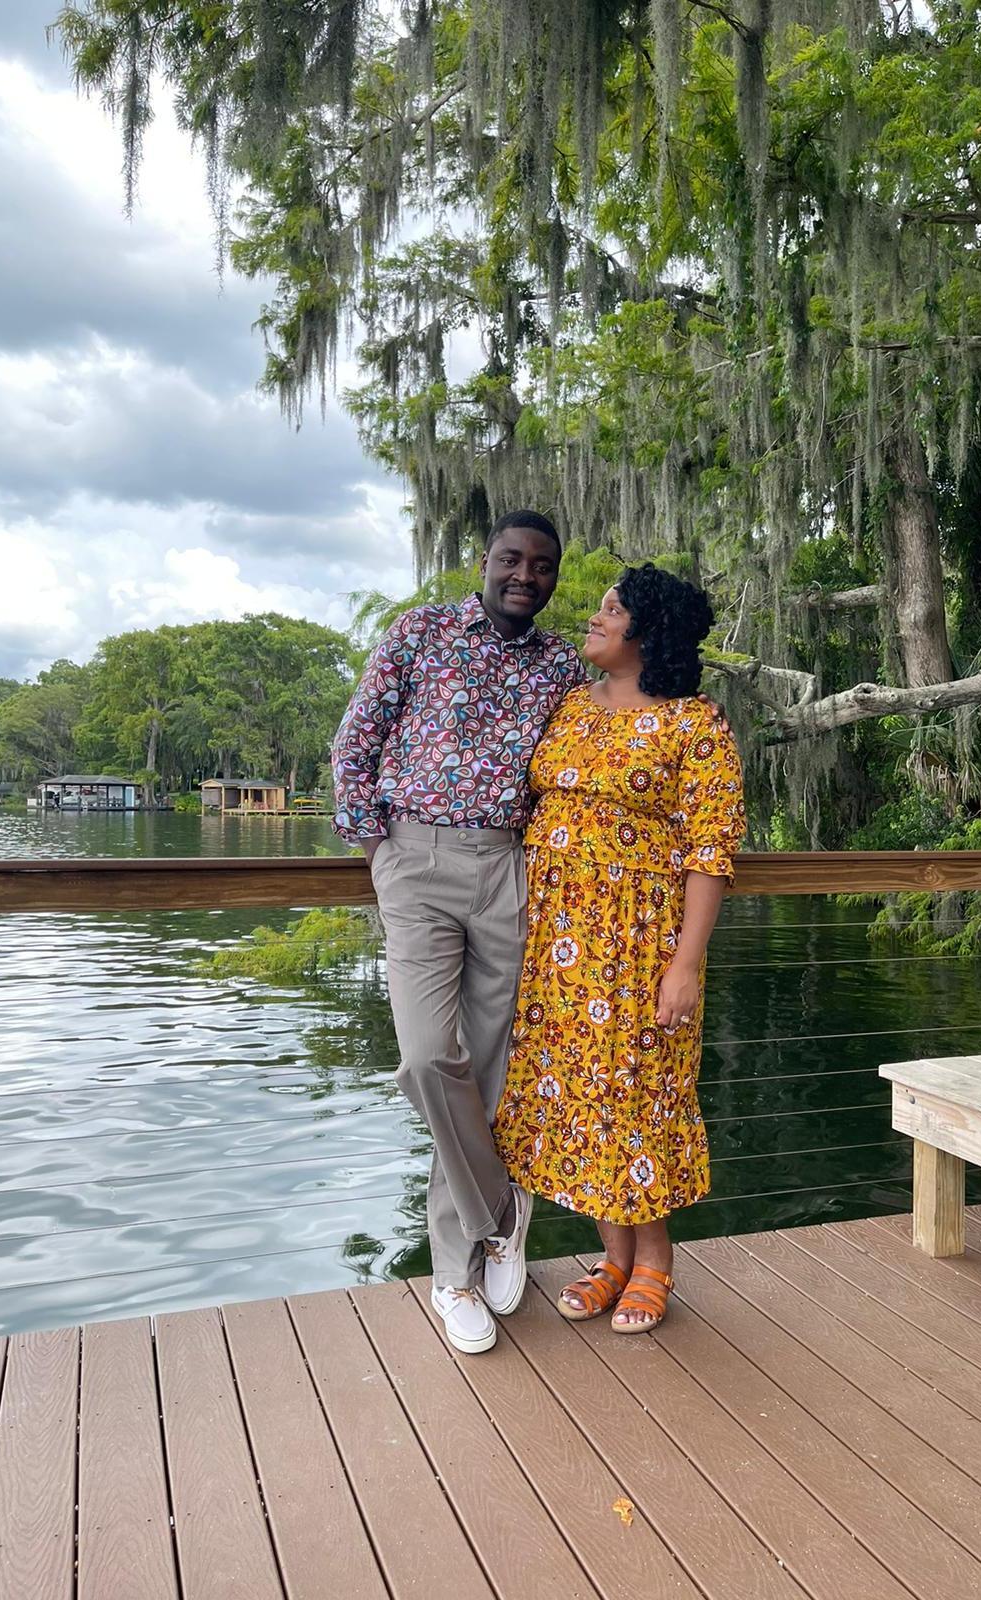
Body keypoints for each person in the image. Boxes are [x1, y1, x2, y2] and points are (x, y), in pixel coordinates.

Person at [330, 511, 588, 1353]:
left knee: (487, 1070)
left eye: (542, 566)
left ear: (553, 577)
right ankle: (501, 1211)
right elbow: (355, 741)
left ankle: (455, 1274)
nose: (525, 576)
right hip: (416, 859)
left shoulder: (561, 664)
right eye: (511, 559)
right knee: (424, 1057)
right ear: (483, 561)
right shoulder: (422, 631)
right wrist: (379, 850)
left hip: (508, 865)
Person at [493, 563, 745, 1333]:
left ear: (648, 631)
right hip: (555, 947)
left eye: (612, 609)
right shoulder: (570, 706)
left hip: (639, 946)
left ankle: (655, 1262)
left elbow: (711, 850)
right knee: (577, 1100)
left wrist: (685, 965)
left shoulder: (694, 724)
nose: (594, 618)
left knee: (636, 1101)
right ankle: (613, 1259)